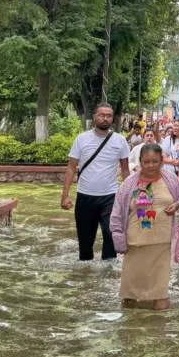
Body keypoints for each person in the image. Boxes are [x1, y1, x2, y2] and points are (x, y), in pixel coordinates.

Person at [109, 144, 179, 310]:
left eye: (155, 161)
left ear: (161, 162)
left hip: (162, 244)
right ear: (140, 162)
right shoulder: (129, 184)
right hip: (134, 246)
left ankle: (159, 334)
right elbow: (116, 214)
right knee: (129, 299)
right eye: (146, 162)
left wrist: (177, 204)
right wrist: (119, 241)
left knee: (160, 300)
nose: (151, 165)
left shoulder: (171, 180)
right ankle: (132, 331)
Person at [61, 103, 130, 261]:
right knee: (85, 243)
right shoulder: (82, 139)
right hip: (85, 196)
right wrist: (64, 196)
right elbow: (71, 168)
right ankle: (85, 277)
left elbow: (125, 170)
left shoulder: (120, 141)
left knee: (110, 235)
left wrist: (130, 195)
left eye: (108, 116)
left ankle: (107, 276)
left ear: (112, 119)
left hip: (110, 197)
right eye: (101, 115)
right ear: (94, 118)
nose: (105, 118)